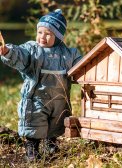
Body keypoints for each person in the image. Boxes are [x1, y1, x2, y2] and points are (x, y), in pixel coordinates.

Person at [0, 9, 82, 161]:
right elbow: (20, 54)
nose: (42, 37)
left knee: (56, 123)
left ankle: (51, 143)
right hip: (36, 99)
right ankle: (32, 146)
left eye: (48, 34)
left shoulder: (67, 54)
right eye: (40, 32)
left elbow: (80, 65)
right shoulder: (32, 50)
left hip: (59, 100)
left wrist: (86, 72)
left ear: (58, 37)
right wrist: (8, 52)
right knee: (34, 122)